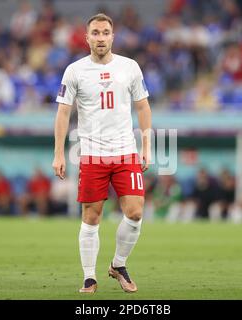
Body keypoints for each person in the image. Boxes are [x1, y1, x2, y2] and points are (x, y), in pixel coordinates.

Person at [52, 13, 152, 294]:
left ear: (112, 36)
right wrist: (59, 153)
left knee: (135, 213)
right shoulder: (74, 71)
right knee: (92, 217)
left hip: (125, 153)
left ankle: (118, 265)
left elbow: (143, 107)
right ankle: (89, 277)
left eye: (105, 32)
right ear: (87, 37)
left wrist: (146, 146)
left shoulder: (130, 67)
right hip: (92, 155)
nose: (100, 37)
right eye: (95, 32)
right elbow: (63, 112)